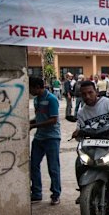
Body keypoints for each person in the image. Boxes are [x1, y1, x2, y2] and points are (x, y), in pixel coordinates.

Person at [29, 76, 62, 205]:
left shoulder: (52, 99)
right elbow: (39, 117)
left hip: (52, 138)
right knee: (33, 165)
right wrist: (29, 123)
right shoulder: (36, 100)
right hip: (39, 137)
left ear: (37, 87)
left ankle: (56, 194)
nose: (30, 91)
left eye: (31, 88)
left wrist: (34, 126)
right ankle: (37, 193)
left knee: (53, 167)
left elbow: (53, 120)